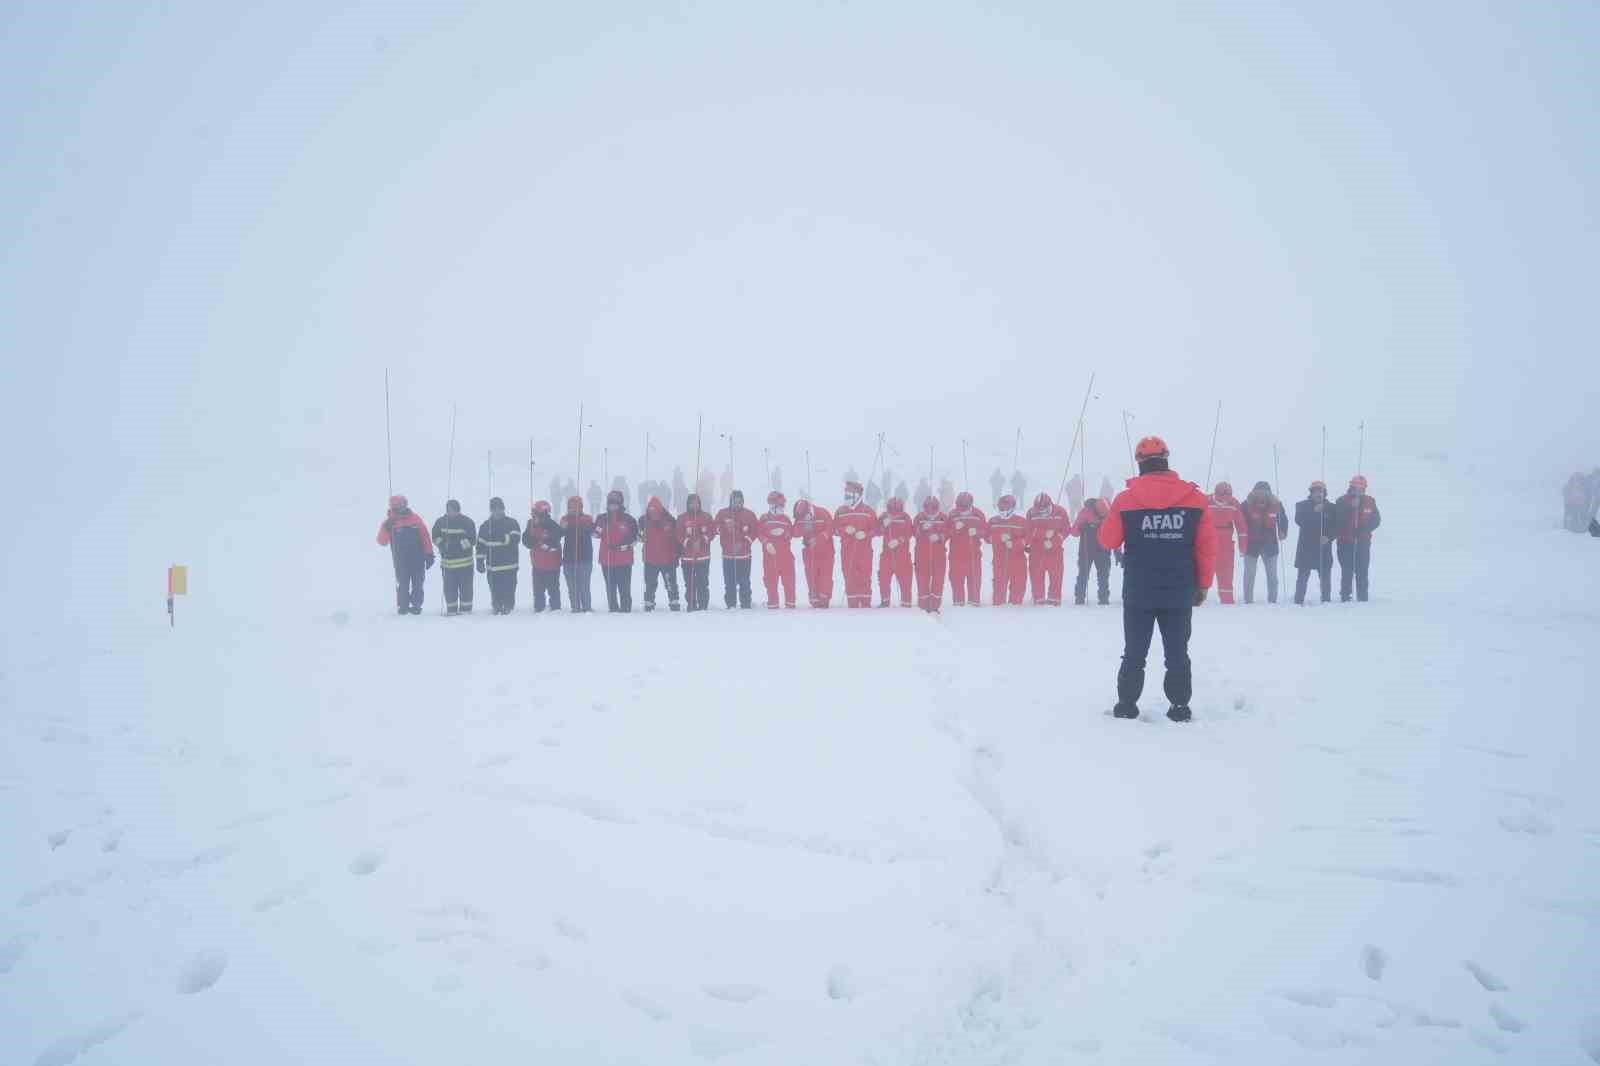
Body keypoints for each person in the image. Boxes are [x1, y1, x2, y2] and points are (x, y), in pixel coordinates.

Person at [1098, 436, 1215, 722]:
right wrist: (1203, 585)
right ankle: (1179, 707)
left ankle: (1126, 706)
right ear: (1166, 459)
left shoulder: (1125, 500)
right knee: (1177, 652)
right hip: (1179, 589)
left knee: (1134, 651)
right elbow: (1207, 547)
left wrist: (1109, 514)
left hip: (1139, 590)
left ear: (1140, 463)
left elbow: (1108, 540)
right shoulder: (1195, 499)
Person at [377, 495, 434, 615]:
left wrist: (429, 554)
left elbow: (425, 538)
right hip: (400, 561)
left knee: (418, 584)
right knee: (402, 584)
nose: (399, 508)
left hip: (417, 559)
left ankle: (417, 606)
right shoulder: (389, 523)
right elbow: (382, 541)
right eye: (396, 506)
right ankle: (403, 606)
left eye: (401, 505)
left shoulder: (415, 519)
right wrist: (387, 528)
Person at [1333, 475, 1381, 602]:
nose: (1358, 490)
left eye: (1361, 488)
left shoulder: (1370, 501)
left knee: (1362, 570)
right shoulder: (1341, 501)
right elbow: (1337, 519)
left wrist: (1364, 529)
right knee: (1347, 570)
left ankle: (1362, 596)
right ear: (1351, 487)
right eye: (1356, 487)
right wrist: (1350, 508)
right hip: (1345, 542)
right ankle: (1345, 596)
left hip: (1363, 543)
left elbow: (1376, 520)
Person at [1240, 481, 1288, 604]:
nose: (1261, 495)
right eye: (1259, 492)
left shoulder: (1277, 505)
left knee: (1272, 576)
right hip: (1251, 545)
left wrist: (1283, 531)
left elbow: (1283, 519)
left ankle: (1272, 601)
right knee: (1249, 575)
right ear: (1254, 493)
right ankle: (1248, 600)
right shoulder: (1245, 505)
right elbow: (1239, 521)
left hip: (1270, 545)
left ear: (1269, 494)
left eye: (1264, 492)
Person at [594, 489, 639, 612]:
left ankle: (626, 608)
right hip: (606, 558)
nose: (613, 506)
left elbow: (636, 537)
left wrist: (626, 544)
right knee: (610, 587)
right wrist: (598, 528)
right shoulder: (602, 518)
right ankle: (613, 608)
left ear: (620, 504)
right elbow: (595, 534)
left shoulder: (629, 519)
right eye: (610, 503)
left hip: (624, 560)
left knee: (624, 587)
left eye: (615, 503)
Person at [476, 497, 521, 615]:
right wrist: (479, 561)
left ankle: (508, 606)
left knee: (509, 587)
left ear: (503, 509)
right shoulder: (485, 525)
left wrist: (504, 538)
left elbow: (516, 537)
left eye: (499, 508)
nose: (497, 511)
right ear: (491, 510)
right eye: (494, 509)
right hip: (493, 566)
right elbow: (480, 545)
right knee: (494, 588)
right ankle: (496, 606)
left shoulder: (512, 523)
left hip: (509, 565)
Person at [835, 481, 878, 608]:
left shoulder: (868, 511)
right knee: (849, 575)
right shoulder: (841, 511)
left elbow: (876, 529)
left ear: (858, 496)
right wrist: (844, 530)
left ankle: (865, 604)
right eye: (845, 496)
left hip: (864, 551)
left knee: (865, 575)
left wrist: (865, 534)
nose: (846, 499)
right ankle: (852, 604)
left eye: (849, 496)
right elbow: (834, 529)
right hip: (847, 550)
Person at [430, 499, 476, 615]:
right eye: (449, 510)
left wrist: (456, 545)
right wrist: (442, 544)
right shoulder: (440, 522)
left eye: (453, 510)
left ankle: (466, 610)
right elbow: (435, 536)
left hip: (465, 564)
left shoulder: (467, 522)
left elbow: (472, 540)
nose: (451, 512)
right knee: (449, 590)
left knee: (466, 589)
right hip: (447, 565)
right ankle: (451, 609)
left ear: (458, 510)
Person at [1024, 491, 1070, 606]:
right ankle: (1038, 598)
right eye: (1038, 510)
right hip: (1036, 550)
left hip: (1055, 550)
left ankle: (1054, 599)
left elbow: (1066, 530)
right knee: (1036, 575)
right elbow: (1028, 531)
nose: (1041, 513)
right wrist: (1044, 533)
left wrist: (1055, 541)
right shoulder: (1031, 513)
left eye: (1043, 510)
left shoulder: (1060, 512)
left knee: (1056, 575)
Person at [715, 490, 759, 609]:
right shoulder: (722, 513)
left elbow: (755, 531)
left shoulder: (749, 514)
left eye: (740, 501)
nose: (737, 504)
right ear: (731, 501)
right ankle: (731, 603)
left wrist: (745, 542)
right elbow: (716, 527)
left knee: (745, 581)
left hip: (744, 555)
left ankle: (745, 603)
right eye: (735, 501)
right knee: (729, 582)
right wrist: (724, 528)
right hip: (728, 555)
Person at [1292, 481, 1334, 604]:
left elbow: (1337, 526)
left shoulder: (1332, 507)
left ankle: (1326, 601)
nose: (1318, 494)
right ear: (1311, 493)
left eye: (1320, 491)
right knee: (1302, 578)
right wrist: (1314, 512)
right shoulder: (1301, 505)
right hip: (1306, 548)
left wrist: (1329, 537)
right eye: (1315, 491)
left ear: (1324, 493)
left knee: (1325, 578)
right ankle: (1298, 601)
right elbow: (1299, 520)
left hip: (1324, 548)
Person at [1206, 482, 1247, 605]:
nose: (1224, 500)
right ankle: (1198, 599)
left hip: (1226, 544)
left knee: (1226, 573)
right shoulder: (1206, 501)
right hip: (1208, 541)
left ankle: (1227, 600)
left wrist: (1243, 546)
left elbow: (1241, 526)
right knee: (1204, 570)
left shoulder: (1234, 503)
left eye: (1227, 496)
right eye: (1222, 496)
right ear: (1216, 493)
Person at [756, 491, 798, 609]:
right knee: (771, 582)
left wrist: (785, 534)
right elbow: (759, 533)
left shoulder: (786, 519)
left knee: (789, 581)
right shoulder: (764, 518)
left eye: (783, 505)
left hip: (786, 556)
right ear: (772, 505)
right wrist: (766, 543)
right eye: (780, 505)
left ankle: (790, 604)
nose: (782, 508)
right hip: (770, 556)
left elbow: (791, 532)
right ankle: (773, 604)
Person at [639, 496, 681, 612]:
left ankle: (674, 601)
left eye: (655, 510)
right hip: (650, 559)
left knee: (670, 583)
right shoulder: (643, 521)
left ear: (660, 510)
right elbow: (639, 534)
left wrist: (676, 555)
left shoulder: (670, 520)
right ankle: (649, 602)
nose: (653, 513)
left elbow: (676, 539)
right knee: (650, 583)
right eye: (650, 510)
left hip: (667, 559)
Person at [1069, 496, 1113, 606]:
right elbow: (1074, 532)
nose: (1103, 518)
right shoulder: (1085, 512)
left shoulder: (1110, 513)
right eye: (1102, 516)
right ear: (1096, 510)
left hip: (1104, 548)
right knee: (1083, 573)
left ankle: (1104, 598)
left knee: (1104, 575)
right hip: (1086, 548)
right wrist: (1081, 527)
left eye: (1105, 516)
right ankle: (1080, 598)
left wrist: (1117, 550)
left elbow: (1114, 531)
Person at [947, 491, 988, 607]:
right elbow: (945, 533)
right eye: (960, 507)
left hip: (973, 554)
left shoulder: (978, 514)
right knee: (956, 580)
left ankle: (974, 603)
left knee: (974, 579)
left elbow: (986, 532)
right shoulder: (952, 515)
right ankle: (958, 603)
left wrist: (977, 532)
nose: (962, 510)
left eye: (964, 508)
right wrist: (955, 529)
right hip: (956, 554)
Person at [676, 494, 715, 612]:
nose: (694, 505)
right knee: (690, 583)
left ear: (700, 503)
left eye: (697, 503)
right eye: (692, 503)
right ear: (688, 504)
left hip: (703, 556)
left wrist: (703, 539)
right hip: (687, 557)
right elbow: (678, 534)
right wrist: (688, 542)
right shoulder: (682, 518)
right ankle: (691, 604)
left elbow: (712, 532)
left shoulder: (706, 517)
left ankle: (703, 604)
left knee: (703, 582)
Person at [522, 500, 564, 612]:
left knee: (553, 588)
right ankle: (539, 607)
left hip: (552, 564)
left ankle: (555, 608)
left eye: (535, 512)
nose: (533, 515)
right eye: (533, 512)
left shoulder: (552, 525)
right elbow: (525, 540)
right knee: (538, 589)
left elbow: (557, 536)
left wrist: (543, 541)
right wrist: (532, 540)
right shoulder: (530, 524)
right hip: (537, 563)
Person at [794, 498, 835, 607]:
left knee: (825, 575)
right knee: (811, 575)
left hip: (825, 551)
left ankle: (824, 599)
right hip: (809, 551)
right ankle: (814, 599)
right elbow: (795, 532)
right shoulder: (800, 517)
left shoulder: (822, 513)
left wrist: (819, 538)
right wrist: (804, 527)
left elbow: (831, 528)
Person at [988, 494, 1028, 605]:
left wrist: (1015, 544)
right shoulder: (993, 521)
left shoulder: (1022, 522)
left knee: (1018, 589)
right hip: (999, 560)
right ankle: (998, 612)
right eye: (1001, 508)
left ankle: (1015, 612)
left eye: (1005, 508)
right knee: (998, 591)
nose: (1003, 511)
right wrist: (998, 538)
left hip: (1018, 561)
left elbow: (1028, 539)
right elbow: (986, 537)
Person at [913, 496, 950, 612]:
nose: (930, 512)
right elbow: (912, 531)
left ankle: (935, 605)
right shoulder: (919, 517)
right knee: (922, 579)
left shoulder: (944, 518)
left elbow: (949, 532)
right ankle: (923, 605)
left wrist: (939, 537)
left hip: (939, 555)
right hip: (921, 554)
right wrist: (922, 528)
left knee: (938, 580)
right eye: (927, 509)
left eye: (933, 508)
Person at [560, 496, 596, 612]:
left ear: (581, 507)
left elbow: (592, 531)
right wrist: (563, 528)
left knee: (584, 586)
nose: (573, 509)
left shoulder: (587, 518)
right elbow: (560, 533)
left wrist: (579, 524)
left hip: (584, 558)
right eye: (570, 507)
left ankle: (587, 607)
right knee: (572, 587)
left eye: (575, 507)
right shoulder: (564, 519)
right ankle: (575, 607)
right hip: (568, 558)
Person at [876, 497, 914, 607]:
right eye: (892, 510)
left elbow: (909, 533)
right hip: (887, 555)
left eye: (896, 510)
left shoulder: (906, 517)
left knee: (905, 580)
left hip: (903, 555)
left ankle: (906, 603)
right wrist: (884, 525)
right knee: (883, 579)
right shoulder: (883, 516)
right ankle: (885, 602)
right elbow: (877, 531)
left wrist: (899, 541)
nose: (894, 513)